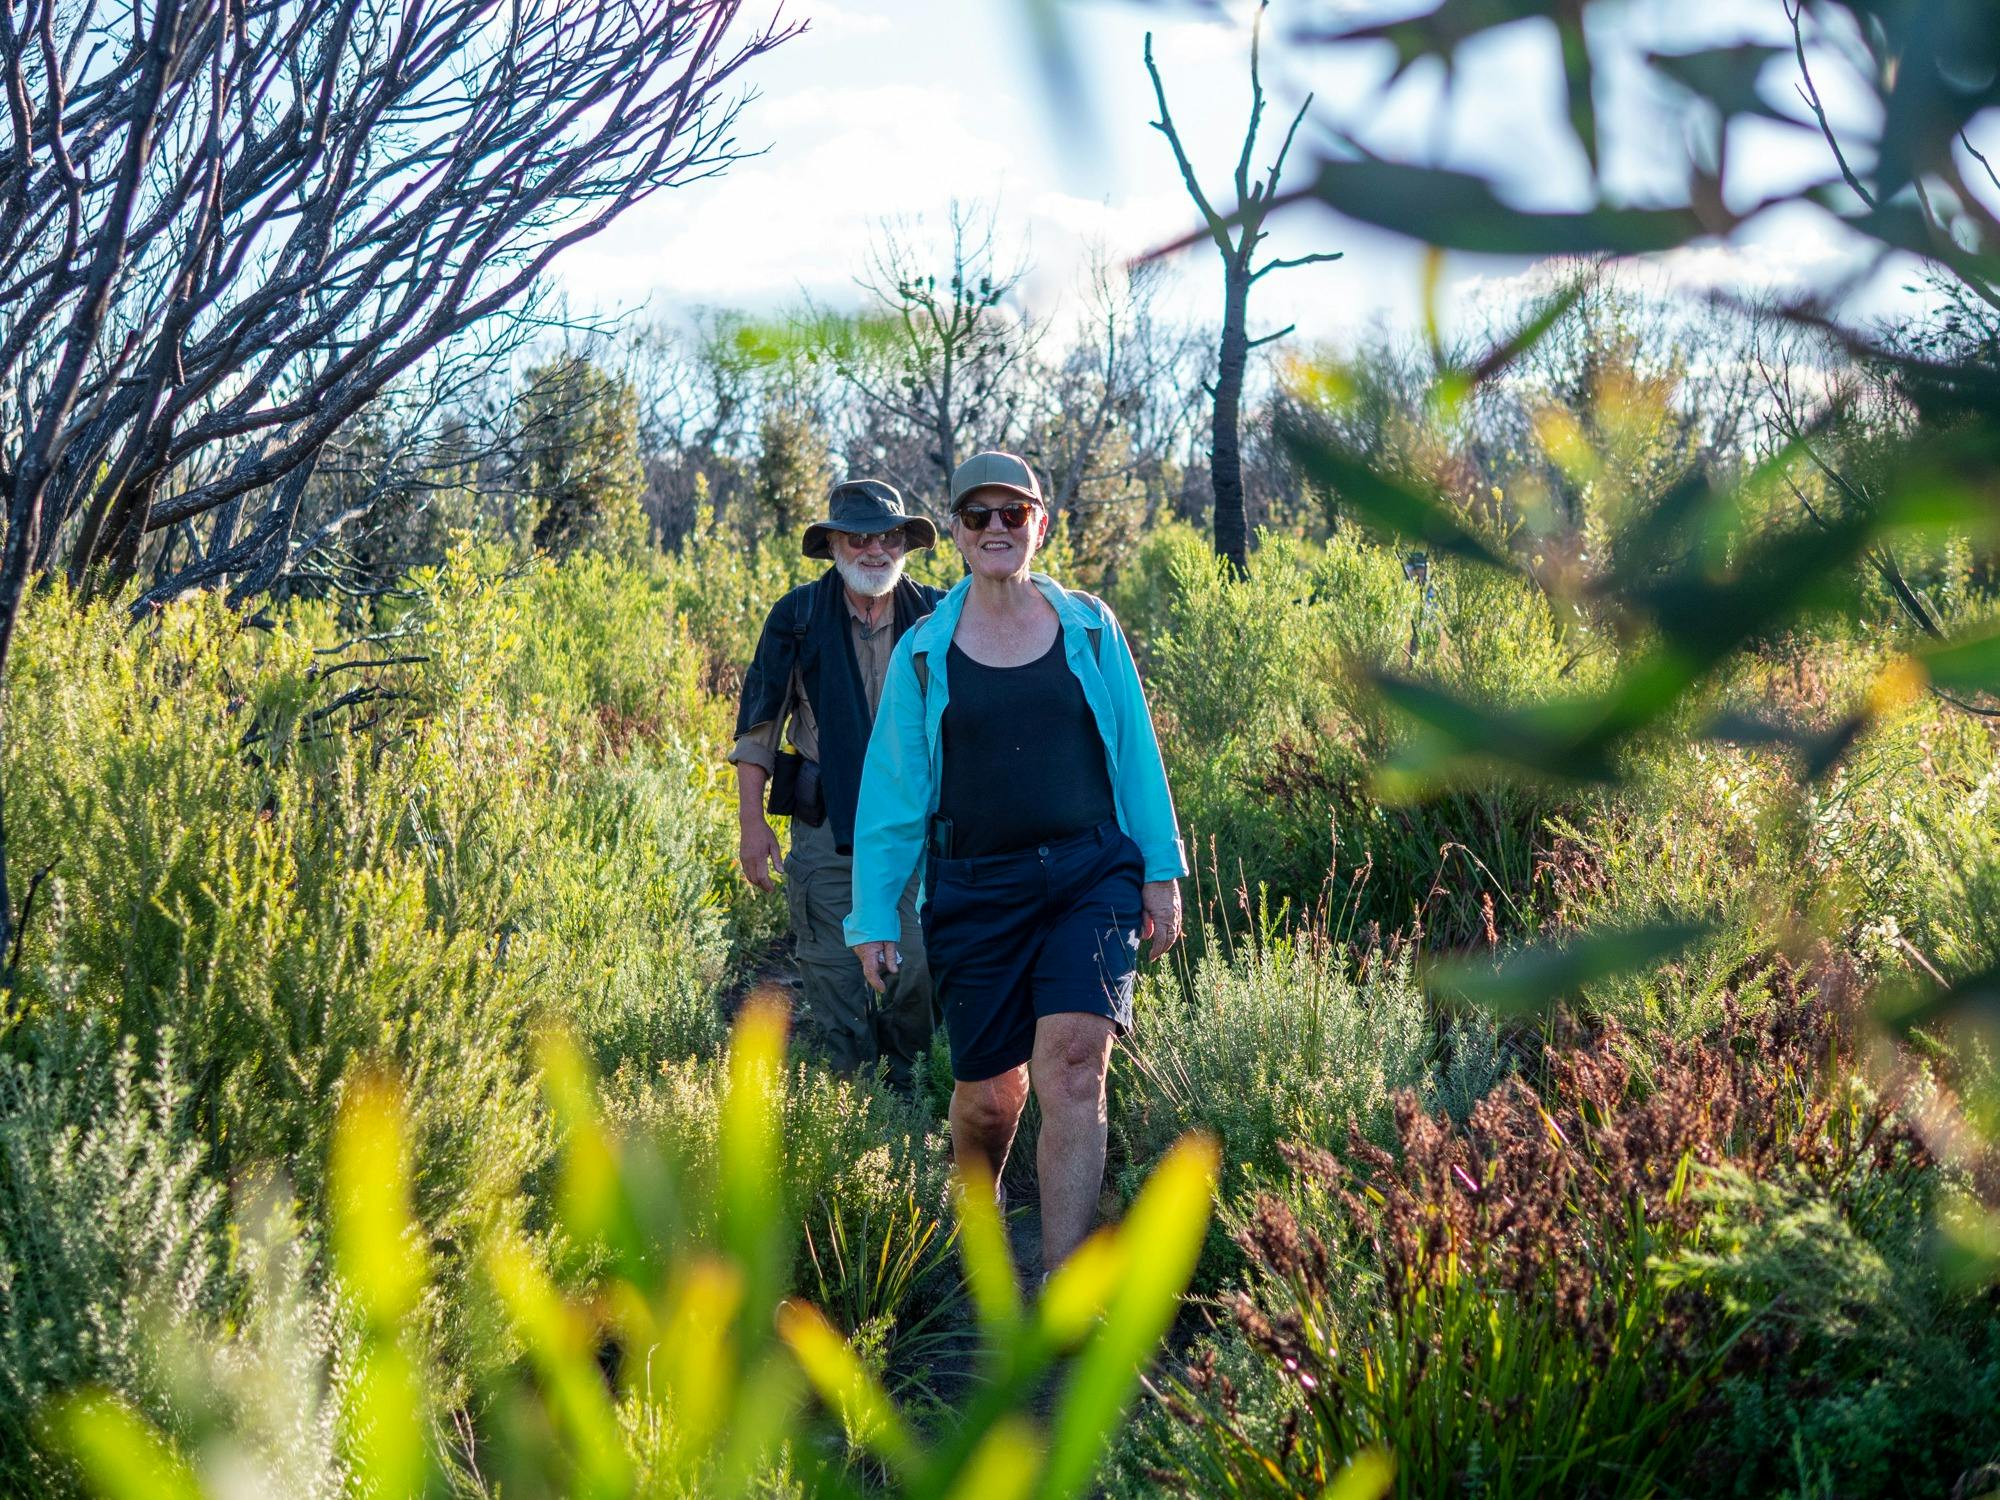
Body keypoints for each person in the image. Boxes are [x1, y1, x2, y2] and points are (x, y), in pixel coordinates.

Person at [845, 450, 1186, 1275]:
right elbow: (892, 793)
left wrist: (1159, 870)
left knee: (1072, 1066)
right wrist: (872, 916)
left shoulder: (1090, 626)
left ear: (1041, 521)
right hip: (975, 889)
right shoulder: (927, 650)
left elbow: (1135, 754)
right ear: (956, 532)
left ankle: (1064, 1293)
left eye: (1013, 513)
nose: (996, 529)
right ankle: (983, 1236)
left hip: (1088, 875)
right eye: (977, 516)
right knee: (992, 1098)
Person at [731, 479, 946, 1089]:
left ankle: (911, 1098)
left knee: (914, 966)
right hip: (826, 827)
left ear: (904, 543)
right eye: (858, 537)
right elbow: (759, 729)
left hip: (914, 830)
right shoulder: (796, 616)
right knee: (832, 973)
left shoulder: (937, 614)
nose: (874, 549)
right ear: (833, 546)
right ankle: (852, 1105)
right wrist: (753, 825)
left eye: (887, 536)